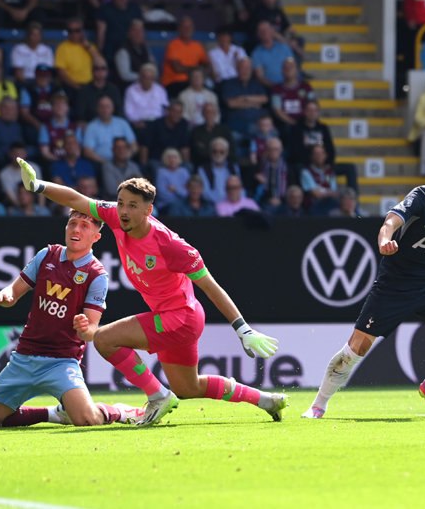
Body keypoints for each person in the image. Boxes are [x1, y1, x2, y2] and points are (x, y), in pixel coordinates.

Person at [16, 159, 288, 425]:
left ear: (149, 210)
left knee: (103, 340)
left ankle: (157, 396)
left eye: (133, 206)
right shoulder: (114, 216)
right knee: (188, 387)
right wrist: (38, 185)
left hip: (181, 318)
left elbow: (210, 286)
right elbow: (76, 199)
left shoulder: (171, 246)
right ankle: (267, 400)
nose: (123, 210)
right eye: (121, 202)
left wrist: (243, 329)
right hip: (175, 317)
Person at [302, 147, 425, 419]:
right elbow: (391, 221)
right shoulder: (422, 196)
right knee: (356, 349)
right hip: (394, 287)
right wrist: (385, 240)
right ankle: (319, 404)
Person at [0, 210, 144, 428]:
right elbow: (14, 292)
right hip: (24, 359)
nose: (76, 229)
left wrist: (84, 327)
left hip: (61, 362)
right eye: (72, 223)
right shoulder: (47, 255)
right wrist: (7, 296)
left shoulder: (97, 274)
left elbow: (91, 331)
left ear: (95, 237)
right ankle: (55, 413)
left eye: (84, 226)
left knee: (87, 420)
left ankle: (116, 411)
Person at [161, 16, 210, 99]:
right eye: (184, 27)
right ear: (179, 29)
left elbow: (206, 64)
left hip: (194, 81)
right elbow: (177, 68)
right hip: (174, 82)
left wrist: (201, 71)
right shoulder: (173, 45)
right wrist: (196, 69)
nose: (187, 29)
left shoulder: (197, 45)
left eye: (189, 27)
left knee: (210, 92)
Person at [114, 19, 157, 89]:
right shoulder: (123, 51)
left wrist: (151, 76)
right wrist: (145, 77)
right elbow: (125, 75)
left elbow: (153, 64)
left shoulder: (145, 49)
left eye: (141, 31)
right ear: (129, 34)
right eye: (135, 31)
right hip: (128, 89)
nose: (138, 34)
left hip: (145, 87)